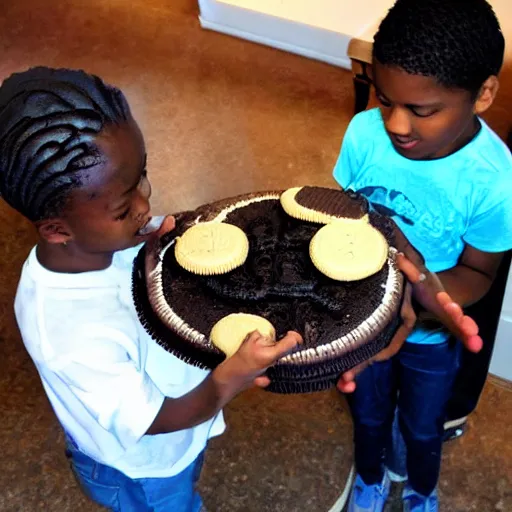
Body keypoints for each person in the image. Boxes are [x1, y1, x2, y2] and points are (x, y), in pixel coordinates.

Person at [0, 67, 480, 512]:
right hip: (140, 465)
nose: (146, 204)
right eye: (126, 207)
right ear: (57, 229)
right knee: (173, 501)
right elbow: (153, 420)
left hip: (182, 430)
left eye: (142, 176)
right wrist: (228, 382)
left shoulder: (108, 234)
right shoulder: (69, 331)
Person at [332, 1, 512, 511]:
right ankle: (369, 477)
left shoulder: (495, 181)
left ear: (483, 95)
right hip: (362, 319)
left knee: (422, 425)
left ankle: (420, 489)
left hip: (432, 335)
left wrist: (421, 288)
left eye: (422, 109)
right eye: (386, 100)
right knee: (366, 414)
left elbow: (478, 273)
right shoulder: (363, 133)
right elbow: (343, 212)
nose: (397, 123)